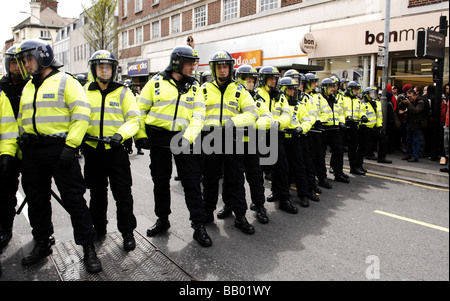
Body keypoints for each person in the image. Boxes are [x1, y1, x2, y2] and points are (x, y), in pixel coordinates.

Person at [15, 39, 101, 273]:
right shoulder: (29, 87)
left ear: (42, 57)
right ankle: (42, 243)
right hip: (32, 152)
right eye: (23, 61)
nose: (25, 64)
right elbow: (22, 120)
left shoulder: (66, 81)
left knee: (74, 200)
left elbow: (82, 114)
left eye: (28, 59)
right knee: (36, 201)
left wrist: (70, 146)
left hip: (60, 149)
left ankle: (88, 248)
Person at [135, 45, 212, 247]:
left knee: (192, 183)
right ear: (177, 62)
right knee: (160, 182)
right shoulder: (155, 82)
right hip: (159, 140)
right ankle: (162, 219)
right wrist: (140, 135)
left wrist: (187, 138)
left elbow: (199, 116)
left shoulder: (195, 86)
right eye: (189, 63)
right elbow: (140, 111)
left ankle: (198, 225)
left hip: (184, 139)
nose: (192, 67)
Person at [83, 50, 139, 251]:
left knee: (122, 194)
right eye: (100, 67)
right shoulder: (84, 91)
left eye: (108, 67)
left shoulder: (124, 92)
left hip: (116, 151)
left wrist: (121, 135)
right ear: (94, 69)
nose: (104, 71)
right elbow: (77, 117)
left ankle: (127, 232)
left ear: (114, 70)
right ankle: (99, 228)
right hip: (92, 150)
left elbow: (134, 119)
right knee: (97, 194)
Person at [201, 51, 259, 234]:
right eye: (219, 67)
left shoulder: (240, 90)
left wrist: (235, 122)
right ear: (213, 68)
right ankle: (207, 212)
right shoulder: (204, 89)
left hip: (233, 139)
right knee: (210, 179)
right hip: (210, 140)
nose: (222, 70)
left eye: (225, 66)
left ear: (230, 68)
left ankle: (240, 216)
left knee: (235, 179)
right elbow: (194, 114)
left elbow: (253, 113)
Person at [217, 64, 271, 224]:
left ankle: (260, 206)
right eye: (248, 81)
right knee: (231, 179)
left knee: (255, 177)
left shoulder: (258, 100)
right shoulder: (231, 96)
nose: (252, 85)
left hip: (251, 143)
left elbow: (268, 118)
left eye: (253, 82)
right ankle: (228, 205)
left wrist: (250, 124)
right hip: (232, 143)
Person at [255, 66, 297, 214]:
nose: (273, 81)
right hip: (259, 135)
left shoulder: (281, 96)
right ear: (263, 79)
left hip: (275, 134)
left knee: (282, 168)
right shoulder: (255, 95)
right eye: (270, 78)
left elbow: (287, 115)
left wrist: (278, 123)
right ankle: (258, 202)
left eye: (275, 78)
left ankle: (284, 199)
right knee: (258, 171)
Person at [0, 46, 28, 250]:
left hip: (30, 149)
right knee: (6, 193)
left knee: (36, 193)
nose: (17, 68)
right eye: (13, 63)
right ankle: (5, 228)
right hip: (7, 150)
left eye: (21, 63)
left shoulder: (34, 84)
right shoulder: (1, 88)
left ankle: (42, 232)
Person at [285, 70, 320, 202]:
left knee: (306, 164)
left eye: (297, 80)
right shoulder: (280, 98)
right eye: (291, 79)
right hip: (284, 136)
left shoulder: (305, 98)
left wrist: (302, 128)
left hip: (302, 135)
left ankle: (308, 191)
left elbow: (310, 117)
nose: (294, 84)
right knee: (283, 167)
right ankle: (280, 192)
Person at [279, 76, 313, 208]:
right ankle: (280, 193)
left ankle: (303, 195)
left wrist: (301, 128)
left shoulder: (298, 105)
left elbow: (307, 120)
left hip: (294, 139)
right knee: (281, 170)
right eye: (290, 90)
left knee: (299, 168)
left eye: (294, 89)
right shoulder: (279, 103)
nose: (293, 92)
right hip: (281, 139)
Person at [304, 73, 333, 190]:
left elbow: (327, 112)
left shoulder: (319, 97)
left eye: (316, 82)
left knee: (319, 156)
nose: (316, 84)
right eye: (313, 82)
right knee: (306, 158)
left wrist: (319, 120)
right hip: (305, 131)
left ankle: (322, 178)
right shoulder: (301, 96)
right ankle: (308, 182)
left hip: (316, 130)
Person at [319, 78, 350, 183]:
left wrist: (342, 122)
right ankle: (322, 177)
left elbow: (340, 112)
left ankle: (338, 173)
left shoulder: (335, 98)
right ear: (324, 87)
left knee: (338, 151)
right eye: (331, 86)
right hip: (323, 128)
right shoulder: (318, 98)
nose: (333, 88)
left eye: (334, 86)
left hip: (335, 128)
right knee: (320, 154)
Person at [359, 86, 392, 165]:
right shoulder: (363, 104)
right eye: (371, 93)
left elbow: (378, 116)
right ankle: (372, 156)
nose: (374, 95)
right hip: (365, 127)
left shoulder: (375, 103)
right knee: (365, 144)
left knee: (382, 139)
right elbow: (360, 114)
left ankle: (379, 157)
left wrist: (379, 125)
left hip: (373, 126)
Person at [341, 81, 368, 175]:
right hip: (344, 125)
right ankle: (335, 168)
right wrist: (347, 117)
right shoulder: (343, 98)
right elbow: (341, 110)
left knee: (353, 148)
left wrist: (363, 116)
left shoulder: (357, 100)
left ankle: (354, 167)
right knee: (339, 149)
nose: (357, 91)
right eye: (355, 89)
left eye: (357, 89)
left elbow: (360, 110)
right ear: (350, 89)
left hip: (354, 125)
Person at [400, 89, 427, 162]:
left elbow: (415, 111)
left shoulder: (420, 101)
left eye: (410, 96)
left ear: (415, 95)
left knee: (416, 140)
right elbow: (401, 108)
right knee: (409, 140)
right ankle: (408, 154)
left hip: (417, 124)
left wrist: (408, 103)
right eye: (408, 96)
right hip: (409, 122)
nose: (409, 98)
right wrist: (403, 102)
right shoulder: (410, 101)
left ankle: (415, 156)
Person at [125, 79, 144, 155]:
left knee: (136, 135)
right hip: (126, 119)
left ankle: (139, 148)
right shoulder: (124, 96)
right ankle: (128, 148)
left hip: (135, 118)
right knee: (127, 136)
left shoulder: (137, 97)